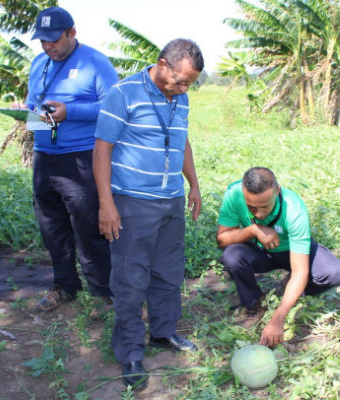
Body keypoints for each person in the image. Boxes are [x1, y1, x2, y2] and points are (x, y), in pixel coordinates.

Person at [93, 39, 204, 389]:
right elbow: (102, 148)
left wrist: (194, 185)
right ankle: (129, 352)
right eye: (181, 81)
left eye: (190, 83)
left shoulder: (180, 97)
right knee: (130, 278)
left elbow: (181, 139)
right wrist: (106, 203)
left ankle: (163, 332)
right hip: (132, 202)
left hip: (170, 199)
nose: (185, 89)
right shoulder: (122, 93)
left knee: (168, 271)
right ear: (162, 64)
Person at [23, 7, 118, 311]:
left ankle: (103, 291)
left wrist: (70, 112)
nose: (48, 46)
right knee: (51, 226)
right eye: (43, 41)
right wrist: (25, 114)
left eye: (54, 40)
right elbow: (33, 107)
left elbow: (114, 108)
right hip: (44, 157)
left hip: (81, 158)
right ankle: (64, 285)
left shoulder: (94, 62)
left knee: (88, 227)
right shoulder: (39, 64)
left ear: (71, 33)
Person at [217, 167, 340, 347]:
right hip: (259, 250)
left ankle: (287, 288)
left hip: (291, 251)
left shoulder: (293, 209)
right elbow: (222, 239)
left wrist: (278, 319)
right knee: (232, 256)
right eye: (251, 207)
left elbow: (300, 271)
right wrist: (254, 230)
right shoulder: (234, 194)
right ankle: (254, 302)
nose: (259, 214)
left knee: (333, 273)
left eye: (265, 206)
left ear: (277, 191)